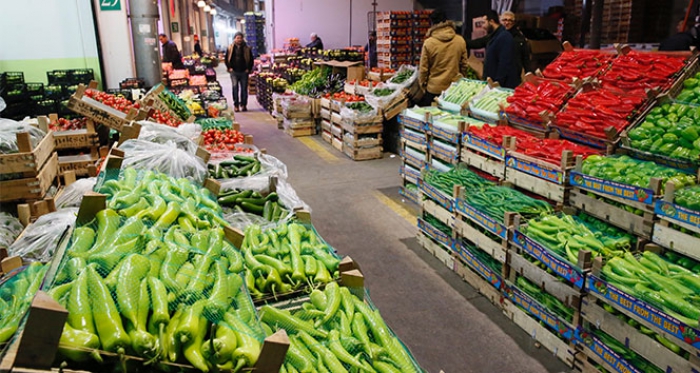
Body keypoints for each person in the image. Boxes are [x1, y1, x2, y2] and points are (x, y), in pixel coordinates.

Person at [418, 10, 469, 106]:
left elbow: (423, 69)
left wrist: (423, 85)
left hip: (434, 89)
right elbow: (464, 65)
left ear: (432, 23)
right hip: (454, 89)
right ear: (447, 21)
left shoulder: (429, 43)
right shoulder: (460, 40)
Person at [468, 10, 519, 88]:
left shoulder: (505, 37)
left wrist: (497, 84)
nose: (483, 26)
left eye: (484, 22)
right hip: (492, 83)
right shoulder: (493, 36)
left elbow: (504, 63)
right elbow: (477, 43)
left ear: (491, 21)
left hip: (501, 86)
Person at [225, 32, 254, 112]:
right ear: (234, 39)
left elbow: (251, 59)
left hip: (244, 71)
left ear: (242, 39)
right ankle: (236, 105)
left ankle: (244, 105)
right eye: (237, 38)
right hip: (234, 71)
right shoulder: (230, 48)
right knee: (235, 88)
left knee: (244, 89)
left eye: (240, 38)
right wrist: (229, 67)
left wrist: (248, 68)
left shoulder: (247, 48)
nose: (239, 39)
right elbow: (226, 59)